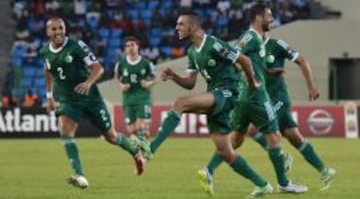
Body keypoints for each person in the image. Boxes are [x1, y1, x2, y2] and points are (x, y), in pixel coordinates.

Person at [133, 10, 274, 198]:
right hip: (215, 95)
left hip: (228, 93)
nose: (176, 28)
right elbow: (190, 83)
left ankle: (151, 148)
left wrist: (251, 82)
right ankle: (263, 185)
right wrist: (174, 77)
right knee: (226, 153)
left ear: (192, 26)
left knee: (180, 103)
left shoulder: (214, 44)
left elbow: (244, 60)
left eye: (180, 24)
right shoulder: (192, 52)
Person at [198, 2, 308, 196]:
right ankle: (283, 183)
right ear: (258, 18)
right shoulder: (250, 37)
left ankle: (208, 170)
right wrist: (250, 79)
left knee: (237, 139)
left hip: (243, 97)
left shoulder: (256, 39)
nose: (272, 19)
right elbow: (233, 57)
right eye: (269, 16)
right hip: (256, 96)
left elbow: (248, 63)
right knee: (274, 137)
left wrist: (267, 72)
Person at [39, 17, 146, 189]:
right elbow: (48, 70)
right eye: (53, 29)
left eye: (61, 28)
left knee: (110, 136)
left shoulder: (77, 46)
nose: (58, 32)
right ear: (47, 32)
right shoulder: (44, 52)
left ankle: (135, 152)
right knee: (65, 131)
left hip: (91, 99)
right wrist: (50, 96)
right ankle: (80, 175)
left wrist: (88, 83)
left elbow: (98, 68)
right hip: (69, 100)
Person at [246, 35, 336, 190]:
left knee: (253, 130)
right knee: (295, 138)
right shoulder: (250, 46)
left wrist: (311, 86)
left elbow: (301, 60)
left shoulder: (277, 45)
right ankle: (325, 170)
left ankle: (283, 166)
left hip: (279, 98)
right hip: (265, 100)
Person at [114, 36, 157, 144]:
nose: (130, 48)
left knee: (140, 127)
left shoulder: (146, 63)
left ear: (138, 47)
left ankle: (141, 154)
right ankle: (142, 141)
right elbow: (116, 78)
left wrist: (148, 83)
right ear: (125, 49)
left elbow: (155, 78)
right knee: (131, 131)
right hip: (128, 99)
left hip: (143, 98)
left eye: (133, 45)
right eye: (128, 46)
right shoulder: (121, 64)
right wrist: (121, 86)